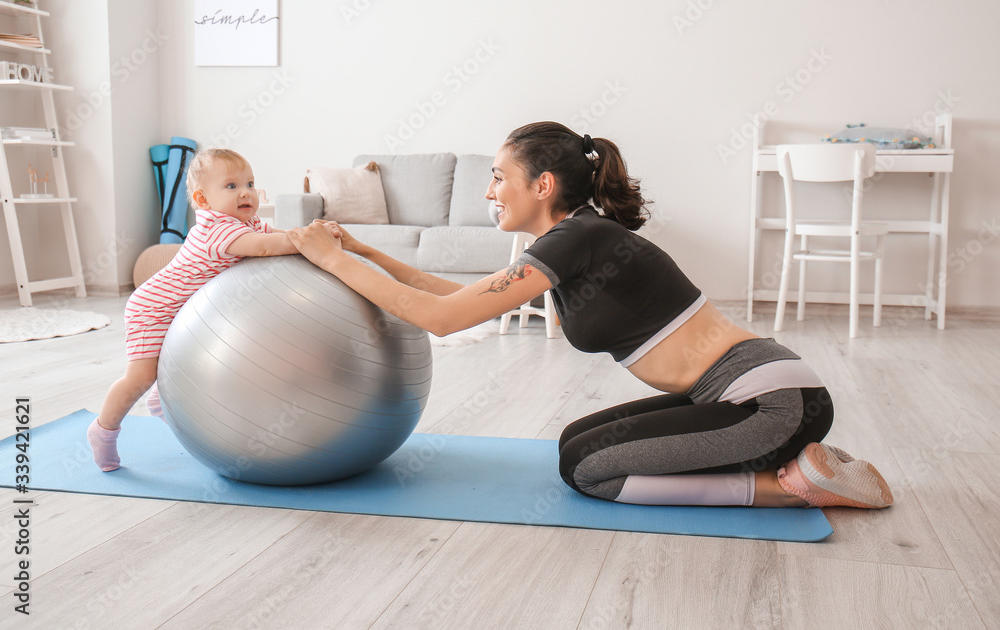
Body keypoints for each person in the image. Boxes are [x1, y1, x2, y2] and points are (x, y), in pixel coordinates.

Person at [287, 122, 893, 509]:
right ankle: (808, 463)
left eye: (499, 179)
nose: (490, 191)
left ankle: (792, 489)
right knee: (576, 442)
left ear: (543, 184)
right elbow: (454, 298)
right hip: (753, 391)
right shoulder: (573, 242)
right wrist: (364, 253)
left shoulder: (575, 241)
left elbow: (441, 320)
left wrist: (328, 260)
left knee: (589, 470)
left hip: (770, 404)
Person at [88, 148, 300, 472]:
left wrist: (310, 233)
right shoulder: (218, 229)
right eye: (231, 186)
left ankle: (162, 401)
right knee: (141, 376)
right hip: (154, 309)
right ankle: (103, 430)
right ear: (202, 200)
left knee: (181, 364)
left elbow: (276, 234)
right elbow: (266, 246)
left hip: (186, 311)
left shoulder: (246, 221)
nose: (245, 192)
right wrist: (310, 243)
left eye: (250, 183)